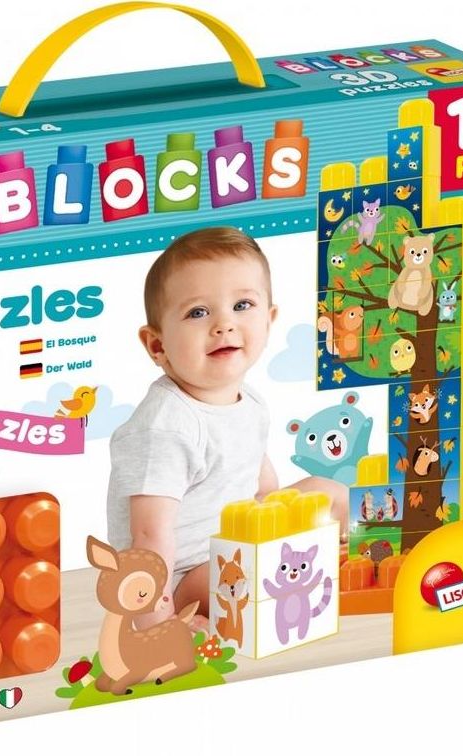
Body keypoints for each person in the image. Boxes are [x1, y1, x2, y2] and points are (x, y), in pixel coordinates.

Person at [106, 227, 347, 628]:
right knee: (256, 581)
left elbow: (262, 487)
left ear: (268, 320)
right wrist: (158, 624)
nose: (224, 324)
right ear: (158, 346)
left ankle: (353, 556)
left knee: (331, 492)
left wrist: (283, 526)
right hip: (184, 575)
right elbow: (149, 537)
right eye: (198, 313)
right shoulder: (165, 427)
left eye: (242, 305)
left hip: (237, 538)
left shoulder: (249, 400)